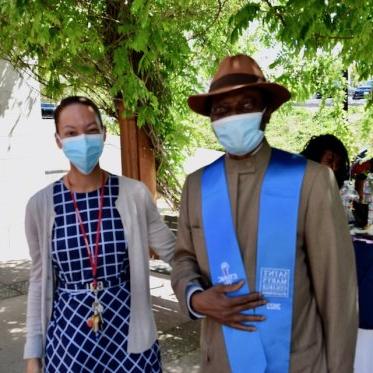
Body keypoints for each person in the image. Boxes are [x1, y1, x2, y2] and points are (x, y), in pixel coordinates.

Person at [171, 55, 358, 372]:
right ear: (212, 119)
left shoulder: (309, 181)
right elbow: (183, 258)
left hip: (295, 362)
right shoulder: (197, 186)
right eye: (222, 110)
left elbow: (338, 294)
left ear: (266, 112)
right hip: (222, 361)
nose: (233, 117)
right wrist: (195, 298)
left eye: (246, 106)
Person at [24, 96, 175, 372]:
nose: (82, 139)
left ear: (104, 133)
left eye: (91, 130)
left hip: (130, 340)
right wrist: (33, 356)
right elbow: (38, 282)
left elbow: (176, 253)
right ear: (58, 140)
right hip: (68, 342)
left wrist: (215, 276)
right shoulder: (40, 206)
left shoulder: (134, 194)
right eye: (71, 133)